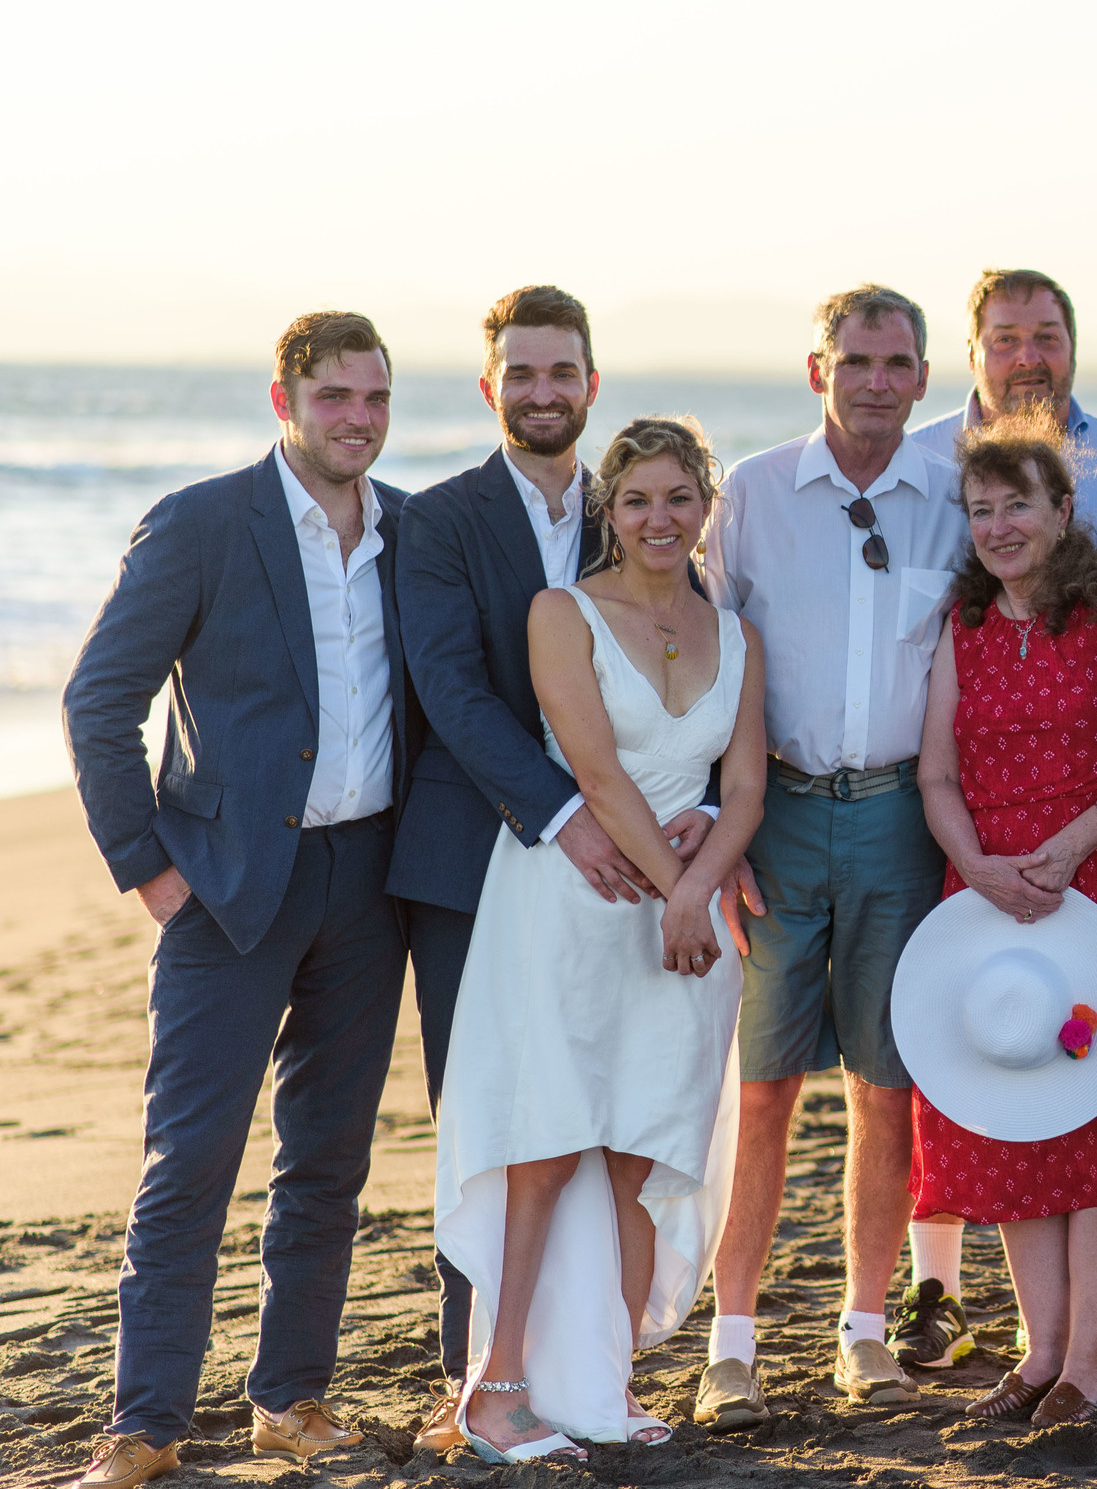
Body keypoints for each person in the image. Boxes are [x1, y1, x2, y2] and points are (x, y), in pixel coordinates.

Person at [63, 314, 414, 1489]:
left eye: (372, 396)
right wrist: (150, 867)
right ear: (285, 398)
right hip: (224, 891)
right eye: (332, 396)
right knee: (193, 1155)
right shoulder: (206, 523)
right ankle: (146, 1419)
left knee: (328, 1154)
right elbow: (99, 699)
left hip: (365, 886)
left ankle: (290, 1396)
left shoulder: (408, 530)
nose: (354, 417)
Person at [390, 285, 735, 1448]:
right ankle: (481, 1378)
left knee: (622, 1129)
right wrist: (561, 816)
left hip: (650, 875)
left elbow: (695, 687)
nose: (543, 392)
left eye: (563, 372)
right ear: (493, 386)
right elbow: (454, 691)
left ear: (591, 381)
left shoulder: (632, 507)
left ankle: (587, 1374)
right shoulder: (437, 519)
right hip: (500, 855)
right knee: (511, 1112)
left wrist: (702, 827)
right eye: (521, 374)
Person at [699, 286, 973, 1420]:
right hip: (779, 815)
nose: (873, 379)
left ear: (921, 377)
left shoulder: (956, 501)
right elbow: (705, 664)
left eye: (895, 361)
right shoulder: (754, 494)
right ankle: (731, 1342)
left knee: (885, 1084)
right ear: (820, 370)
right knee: (760, 1088)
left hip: (901, 822)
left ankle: (867, 1328)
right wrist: (720, 832)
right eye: (853, 358)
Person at [910, 413, 1097, 1427]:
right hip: (991, 902)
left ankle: (1085, 1363)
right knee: (1012, 1113)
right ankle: (1035, 1354)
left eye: (1017, 503)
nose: (998, 525)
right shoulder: (964, 623)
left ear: (1063, 508)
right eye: (980, 509)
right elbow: (936, 771)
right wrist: (972, 862)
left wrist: (1075, 841)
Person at [912, 268, 1097, 587]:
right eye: (1005, 340)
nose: (1028, 358)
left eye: (1047, 338)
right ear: (972, 355)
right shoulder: (918, 465)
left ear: (1073, 350)